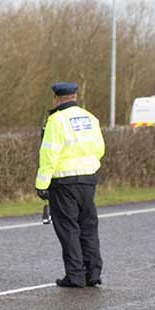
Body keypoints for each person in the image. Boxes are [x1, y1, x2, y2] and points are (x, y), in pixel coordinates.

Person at [35, 82, 105, 288]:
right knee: (88, 226)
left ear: (56, 98)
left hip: (64, 182)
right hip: (88, 179)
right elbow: (100, 149)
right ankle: (93, 272)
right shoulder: (91, 118)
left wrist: (42, 184)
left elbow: (49, 154)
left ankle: (75, 275)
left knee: (68, 228)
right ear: (75, 96)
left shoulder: (55, 121)